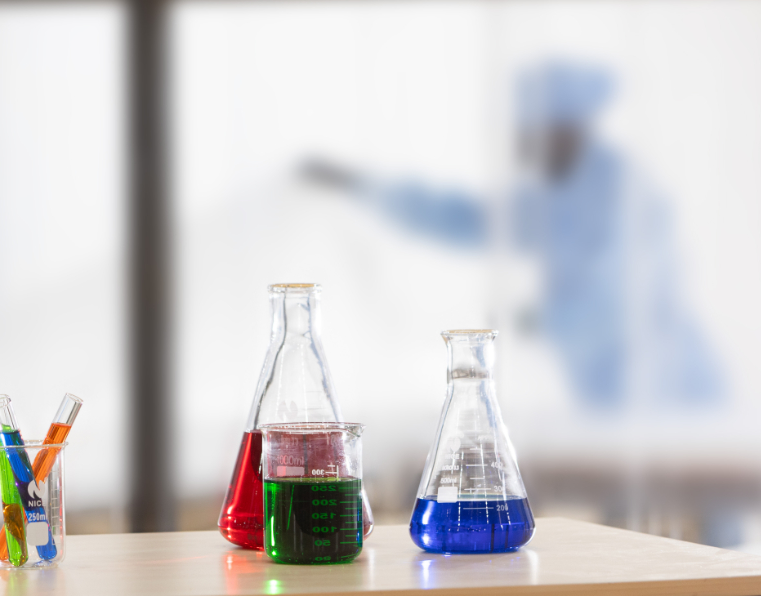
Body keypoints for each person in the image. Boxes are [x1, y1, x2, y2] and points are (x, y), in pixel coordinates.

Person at [303, 60, 723, 409]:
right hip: (608, 393)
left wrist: (527, 321)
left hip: (674, 390)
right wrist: (360, 186)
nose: (519, 145)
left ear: (565, 129)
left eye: (529, 131)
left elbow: (617, 296)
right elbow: (465, 219)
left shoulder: (623, 190)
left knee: (692, 502)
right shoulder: (555, 198)